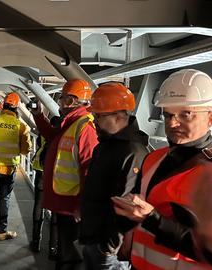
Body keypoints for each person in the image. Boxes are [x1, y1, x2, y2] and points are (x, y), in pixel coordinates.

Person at [112, 69, 212, 269]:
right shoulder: (153, 159)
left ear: (211, 118)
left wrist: (152, 219)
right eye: (168, 115)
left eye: (186, 114)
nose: (173, 123)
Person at [80, 82, 149, 270]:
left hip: (108, 249)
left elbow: (126, 203)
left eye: (98, 116)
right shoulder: (105, 145)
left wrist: (109, 246)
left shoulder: (132, 151)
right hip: (93, 236)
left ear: (118, 116)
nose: (94, 120)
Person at [31, 79, 99, 269]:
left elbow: (89, 168)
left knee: (70, 257)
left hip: (73, 206)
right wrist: (38, 116)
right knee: (65, 252)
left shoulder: (85, 127)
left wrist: (81, 205)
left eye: (66, 101)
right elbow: (53, 136)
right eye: (61, 100)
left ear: (78, 102)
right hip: (64, 201)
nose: (61, 105)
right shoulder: (71, 122)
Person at [0, 92, 32, 240]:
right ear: (16, 107)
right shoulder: (21, 126)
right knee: (5, 198)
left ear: (4, 104)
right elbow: (25, 150)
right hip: (9, 169)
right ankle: (2, 232)